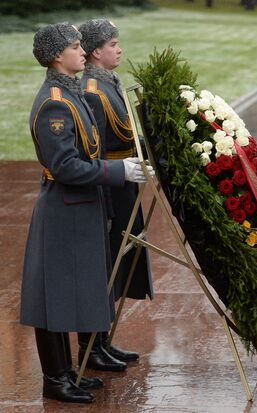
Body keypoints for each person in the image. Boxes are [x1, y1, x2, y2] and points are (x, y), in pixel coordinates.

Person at [20, 22, 153, 403]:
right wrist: (117, 171)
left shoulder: (70, 92)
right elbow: (65, 168)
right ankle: (55, 378)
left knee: (71, 291)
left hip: (79, 207)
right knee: (53, 296)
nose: (83, 51)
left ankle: (68, 371)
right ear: (55, 56)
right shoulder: (55, 104)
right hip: (63, 209)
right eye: (75, 46)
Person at [77, 19, 153, 372]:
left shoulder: (107, 83)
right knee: (104, 268)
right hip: (110, 191)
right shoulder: (92, 92)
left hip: (124, 185)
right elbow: (92, 152)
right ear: (96, 51)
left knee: (117, 266)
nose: (119, 49)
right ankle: (92, 347)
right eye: (113, 44)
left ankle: (102, 342)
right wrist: (105, 203)